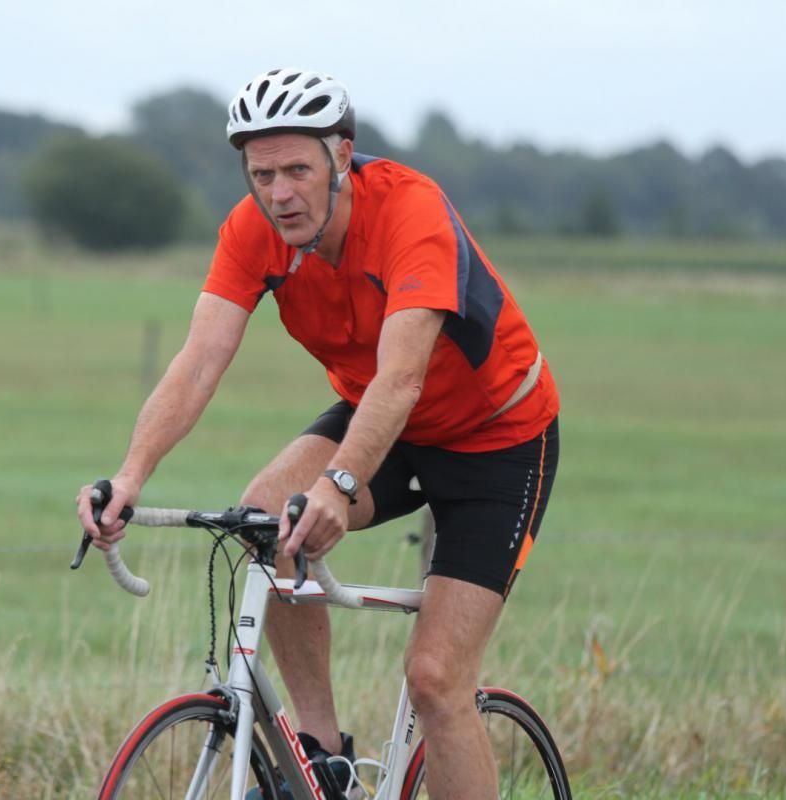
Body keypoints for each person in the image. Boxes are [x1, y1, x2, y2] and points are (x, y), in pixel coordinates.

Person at [77, 67, 560, 800]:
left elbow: (403, 378)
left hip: (498, 440)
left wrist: (338, 485)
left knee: (435, 680)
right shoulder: (252, 232)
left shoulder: (409, 212)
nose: (279, 193)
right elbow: (200, 359)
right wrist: (132, 473)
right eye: (261, 173)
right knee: (270, 512)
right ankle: (324, 757)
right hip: (382, 419)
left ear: (341, 156)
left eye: (297, 169)